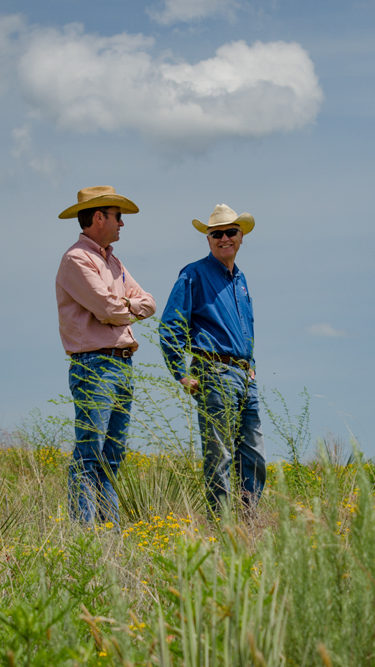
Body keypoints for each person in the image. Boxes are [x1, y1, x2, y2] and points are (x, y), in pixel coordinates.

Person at [55, 186, 156, 524]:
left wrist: (125, 305)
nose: (122, 224)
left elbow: (149, 302)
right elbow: (108, 308)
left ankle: (107, 533)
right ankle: (85, 533)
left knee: (112, 455)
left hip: (119, 363)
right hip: (95, 364)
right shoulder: (76, 259)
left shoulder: (112, 260)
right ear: (99, 217)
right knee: (90, 452)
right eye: (118, 217)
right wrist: (129, 306)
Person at [159, 204, 266, 513]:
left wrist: (252, 367)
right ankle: (221, 524)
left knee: (253, 454)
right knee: (219, 454)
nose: (223, 238)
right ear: (208, 239)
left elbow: (246, 328)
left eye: (230, 232)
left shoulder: (241, 279)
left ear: (241, 236)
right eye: (216, 234)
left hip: (244, 376)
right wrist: (181, 371)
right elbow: (171, 324)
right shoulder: (193, 274)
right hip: (214, 372)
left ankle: (250, 521)